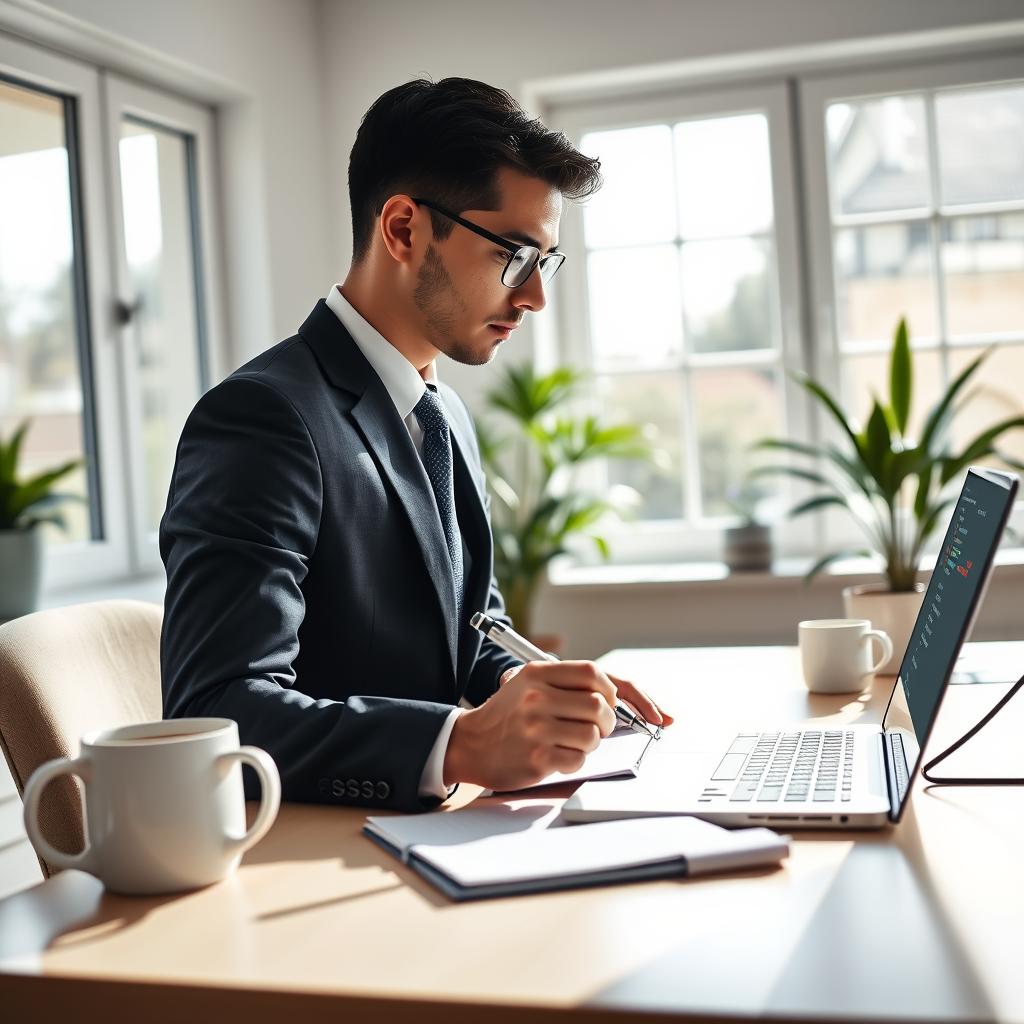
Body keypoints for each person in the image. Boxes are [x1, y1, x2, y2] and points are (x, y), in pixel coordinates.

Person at [160, 77, 673, 812]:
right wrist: (460, 745)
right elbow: (216, 711)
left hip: (437, 847)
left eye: (545, 261)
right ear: (403, 228)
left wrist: (538, 693)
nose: (534, 297)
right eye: (514, 255)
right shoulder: (261, 418)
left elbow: (468, 633)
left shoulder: (444, 414)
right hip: (312, 873)